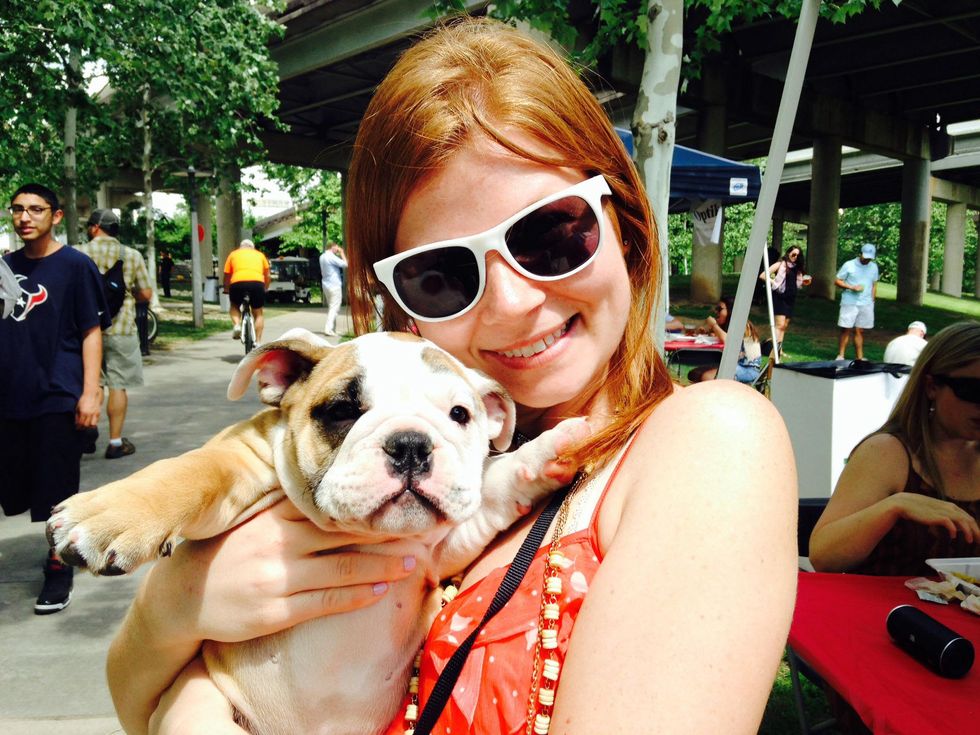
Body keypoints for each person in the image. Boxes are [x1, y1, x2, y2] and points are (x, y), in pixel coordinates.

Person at [106, 20, 798, 735]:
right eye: (442, 275)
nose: (512, 303)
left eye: (553, 235)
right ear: (396, 304)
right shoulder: (409, 452)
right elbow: (136, 703)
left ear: (623, 223)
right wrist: (178, 604)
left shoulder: (710, 444)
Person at [0, 183, 109, 614]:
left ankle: (58, 566)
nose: (25, 217)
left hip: (58, 392)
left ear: (56, 216)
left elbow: (90, 332)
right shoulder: (5, 267)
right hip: (10, 392)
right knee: (16, 482)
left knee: (56, 487)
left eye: (36, 210)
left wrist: (90, 392)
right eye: (17, 210)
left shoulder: (75, 266)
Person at [809, 321, 980, 577]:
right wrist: (894, 506)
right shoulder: (888, 453)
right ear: (932, 386)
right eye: (972, 390)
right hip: (887, 613)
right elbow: (823, 556)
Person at [78, 209, 153, 459]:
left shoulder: (78, 254)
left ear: (95, 228)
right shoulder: (131, 255)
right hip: (121, 329)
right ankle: (116, 442)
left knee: (93, 381)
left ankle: (86, 431)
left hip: (85, 330)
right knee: (118, 385)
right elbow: (146, 293)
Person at [698, 297, 763, 384]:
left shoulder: (742, 325)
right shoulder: (728, 325)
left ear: (730, 310)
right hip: (735, 366)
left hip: (748, 369)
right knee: (697, 373)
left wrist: (714, 325)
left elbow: (728, 342)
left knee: (707, 377)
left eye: (719, 309)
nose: (716, 312)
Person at [759, 245, 810, 352]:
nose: (795, 257)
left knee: (784, 326)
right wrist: (774, 283)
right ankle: (774, 351)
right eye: (793, 254)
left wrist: (805, 282)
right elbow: (763, 275)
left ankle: (778, 349)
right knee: (779, 325)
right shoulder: (780, 264)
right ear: (788, 253)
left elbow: (797, 283)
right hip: (779, 297)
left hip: (791, 298)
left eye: (798, 255)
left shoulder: (798, 269)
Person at [834, 243, 879, 361]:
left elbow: (874, 284)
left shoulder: (874, 267)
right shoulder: (849, 265)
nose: (867, 260)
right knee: (846, 329)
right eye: (865, 257)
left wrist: (872, 299)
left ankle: (859, 357)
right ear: (860, 254)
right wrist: (851, 287)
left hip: (866, 303)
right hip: (850, 302)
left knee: (860, 330)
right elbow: (837, 281)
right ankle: (841, 355)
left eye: (870, 258)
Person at [222, 239, 271, 344]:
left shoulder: (233, 255)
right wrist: (265, 288)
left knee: (234, 305)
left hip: (237, 283)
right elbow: (267, 275)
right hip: (257, 284)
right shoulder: (260, 255)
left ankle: (237, 325)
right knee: (258, 313)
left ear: (241, 247)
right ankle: (258, 342)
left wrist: (226, 288)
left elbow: (227, 275)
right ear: (252, 247)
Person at [318, 242, 347, 336]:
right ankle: (328, 329)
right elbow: (345, 264)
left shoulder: (322, 256)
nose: (337, 249)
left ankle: (333, 329)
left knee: (331, 307)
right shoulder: (331, 256)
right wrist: (342, 253)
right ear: (333, 247)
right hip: (334, 285)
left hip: (326, 284)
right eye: (337, 247)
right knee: (334, 308)